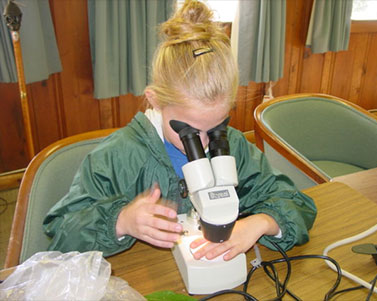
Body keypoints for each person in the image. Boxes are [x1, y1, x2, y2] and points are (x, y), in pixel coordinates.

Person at [43, 0, 317, 262]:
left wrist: (262, 222)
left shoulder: (233, 146)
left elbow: (298, 204)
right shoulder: (119, 156)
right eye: (189, 132)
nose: (204, 143)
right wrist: (121, 220)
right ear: (155, 101)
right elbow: (61, 233)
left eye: (217, 129)